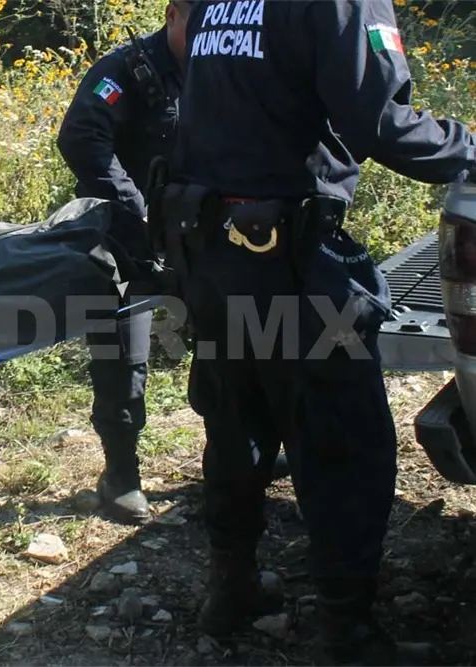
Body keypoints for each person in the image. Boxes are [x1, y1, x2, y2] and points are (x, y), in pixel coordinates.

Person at [155, 0, 476, 663]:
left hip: (207, 251)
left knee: (237, 419)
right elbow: (382, 123)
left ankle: (232, 588)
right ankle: (347, 634)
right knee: (342, 437)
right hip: (286, 260)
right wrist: (469, 147)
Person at [57, 0, 289, 525]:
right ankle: (120, 475)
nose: (211, 33)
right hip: (125, 237)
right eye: (199, 22)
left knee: (228, 348)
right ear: (173, 16)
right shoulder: (126, 70)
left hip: (195, 235)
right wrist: (136, 210)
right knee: (123, 359)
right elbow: (81, 138)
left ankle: (236, 454)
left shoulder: (226, 64)